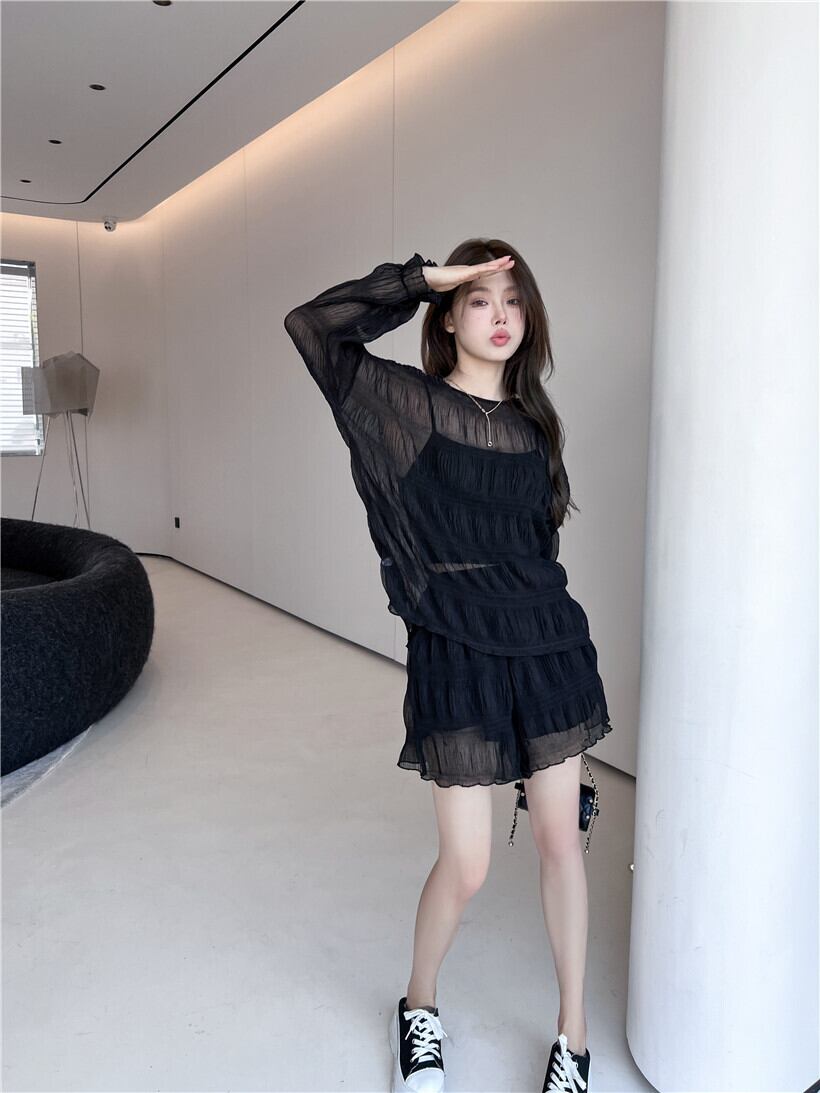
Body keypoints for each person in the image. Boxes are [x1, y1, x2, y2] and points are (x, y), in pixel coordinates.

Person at [284, 240, 612, 1093]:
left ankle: (573, 1040)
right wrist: (420, 279)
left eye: (512, 300)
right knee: (467, 863)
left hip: (548, 647)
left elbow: (537, 546)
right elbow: (313, 327)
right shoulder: (411, 406)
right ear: (449, 317)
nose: (500, 315)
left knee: (560, 843)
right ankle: (418, 1005)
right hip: (456, 649)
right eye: (478, 299)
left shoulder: (536, 425)